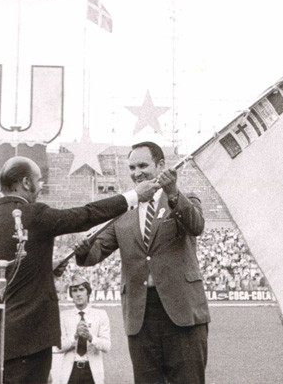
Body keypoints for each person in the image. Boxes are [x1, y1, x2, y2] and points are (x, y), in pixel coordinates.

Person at [0, 156, 159, 384]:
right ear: (25, 182)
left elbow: (6, 272)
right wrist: (133, 196)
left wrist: (44, 268)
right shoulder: (34, 214)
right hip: (28, 336)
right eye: (38, 181)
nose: (41, 187)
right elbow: (85, 215)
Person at [76, 141, 210, 384]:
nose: (137, 173)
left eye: (143, 165)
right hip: (140, 316)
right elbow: (95, 253)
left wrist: (172, 192)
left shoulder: (183, 198)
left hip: (182, 312)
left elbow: (197, 225)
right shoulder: (122, 211)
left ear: (160, 165)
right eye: (132, 167)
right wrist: (83, 249)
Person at [56, 276, 110, 384]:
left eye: (81, 290)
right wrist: (75, 336)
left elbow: (106, 346)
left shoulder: (100, 315)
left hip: (93, 371)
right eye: (74, 291)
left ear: (88, 292)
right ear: (71, 295)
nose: (78, 294)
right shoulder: (64, 316)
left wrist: (91, 338)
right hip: (71, 371)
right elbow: (59, 347)